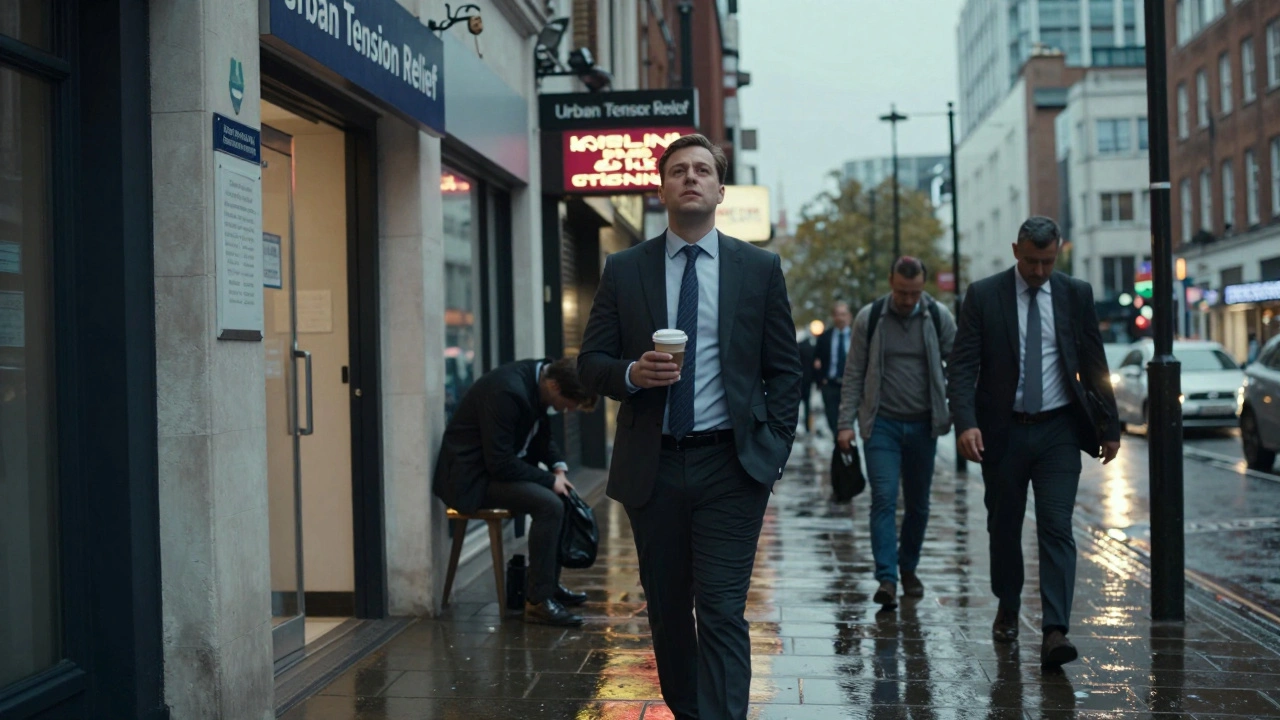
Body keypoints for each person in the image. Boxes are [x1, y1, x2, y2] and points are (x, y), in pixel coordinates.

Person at [577, 133, 803, 720]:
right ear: (662, 188)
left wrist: (772, 451)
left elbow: (784, 371)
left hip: (732, 464)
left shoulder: (759, 269)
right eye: (678, 170)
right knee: (669, 611)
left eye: (703, 170)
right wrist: (631, 372)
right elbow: (590, 364)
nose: (691, 178)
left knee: (724, 608)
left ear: (721, 189)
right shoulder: (625, 270)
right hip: (654, 465)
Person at [946, 216, 1121, 667]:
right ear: (1015, 250)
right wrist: (965, 423)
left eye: (1046, 261)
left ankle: (1054, 630)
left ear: (1058, 252)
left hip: (1059, 429)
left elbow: (1093, 361)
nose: (1038, 271)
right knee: (1003, 526)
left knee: (1057, 526)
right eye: (1030, 261)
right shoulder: (984, 295)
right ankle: (1008, 601)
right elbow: (963, 366)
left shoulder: (1075, 294)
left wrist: (1110, 426)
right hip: (1002, 431)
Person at [431, 357, 598, 627]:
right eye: (571, 403)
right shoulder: (507, 393)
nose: (570, 410)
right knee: (549, 504)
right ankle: (538, 602)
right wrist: (547, 480)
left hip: (492, 470)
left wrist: (558, 469)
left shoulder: (539, 380)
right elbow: (500, 463)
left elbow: (542, 437)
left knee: (559, 496)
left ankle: (548, 587)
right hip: (469, 479)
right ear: (555, 385)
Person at [836, 257, 956, 608]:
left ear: (924, 286)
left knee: (918, 504)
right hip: (881, 425)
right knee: (884, 498)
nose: (908, 300)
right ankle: (887, 577)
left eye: (915, 293)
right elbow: (854, 372)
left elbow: (961, 366)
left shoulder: (937, 317)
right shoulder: (870, 318)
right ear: (891, 282)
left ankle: (909, 568)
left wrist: (966, 416)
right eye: (902, 293)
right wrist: (845, 424)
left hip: (923, 425)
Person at [814, 302, 853, 436]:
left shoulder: (857, 336)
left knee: (848, 424)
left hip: (851, 386)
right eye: (837, 314)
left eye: (843, 314)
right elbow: (815, 360)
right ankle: (838, 448)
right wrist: (821, 381)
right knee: (833, 421)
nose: (840, 318)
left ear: (849, 316)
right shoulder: (825, 337)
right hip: (830, 385)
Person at [797, 332, 816, 434]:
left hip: (802, 380)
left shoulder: (801, 346)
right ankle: (807, 427)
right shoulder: (810, 347)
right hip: (806, 380)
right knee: (806, 405)